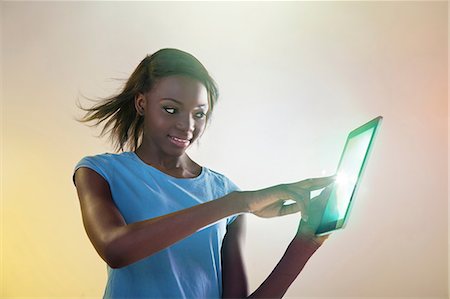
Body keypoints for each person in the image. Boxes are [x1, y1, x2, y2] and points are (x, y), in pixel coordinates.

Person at [72, 48, 335, 299]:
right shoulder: (100, 172)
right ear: (142, 103)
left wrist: (305, 241)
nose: (187, 126)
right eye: (171, 109)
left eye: (199, 114)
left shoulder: (225, 191)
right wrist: (237, 204)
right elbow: (115, 249)